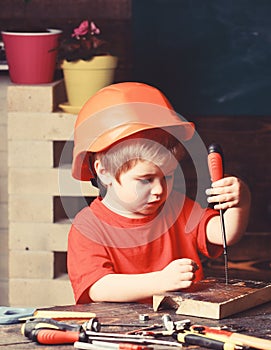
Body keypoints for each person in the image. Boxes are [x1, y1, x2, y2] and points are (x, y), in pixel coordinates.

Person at [67, 82, 251, 304]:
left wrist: (241, 201)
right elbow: (99, 287)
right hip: (120, 331)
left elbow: (223, 234)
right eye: (146, 180)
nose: (159, 190)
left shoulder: (175, 207)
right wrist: (161, 281)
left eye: (168, 176)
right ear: (104, 172)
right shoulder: (88, 226)